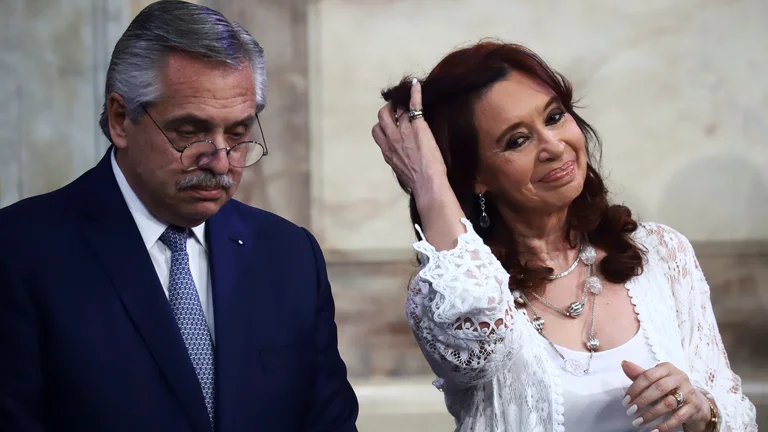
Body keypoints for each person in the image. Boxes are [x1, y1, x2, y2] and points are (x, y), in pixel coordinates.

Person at [0, 1, 358, 431]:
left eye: (238, 133)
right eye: (189, 132)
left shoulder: (289, 254)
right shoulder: (19, 253)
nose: (221, 161)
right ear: (120, 119)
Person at [372, 41, 757, 431]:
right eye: (517, 140)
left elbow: (736, 415)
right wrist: (430, 182)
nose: (554, 147)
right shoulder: (447, 295)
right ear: (476, 177)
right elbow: (476, 344)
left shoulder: (660, 252)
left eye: (554, 117)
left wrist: (702, 412)